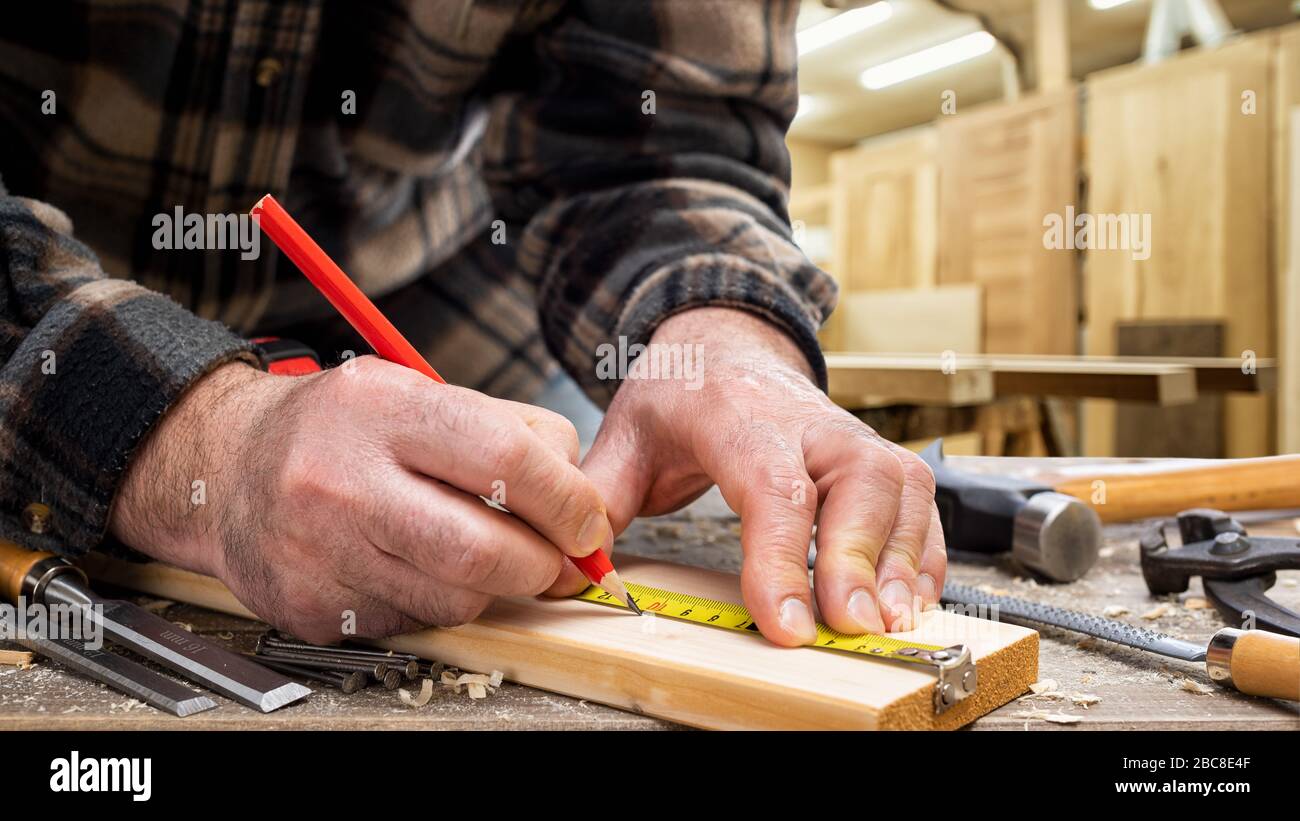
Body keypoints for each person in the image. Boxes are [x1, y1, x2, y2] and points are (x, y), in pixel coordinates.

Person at [0, 1, 944, 646]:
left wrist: (722, 332)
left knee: (510, 524)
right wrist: (198, 440)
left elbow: (657, 139)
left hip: (431, 319)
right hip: (36, 303)